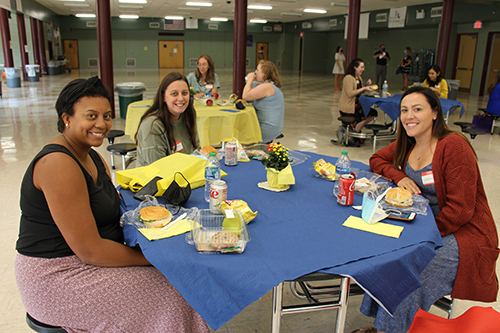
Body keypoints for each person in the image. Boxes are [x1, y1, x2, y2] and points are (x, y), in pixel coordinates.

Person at [15, 77, 210, 333]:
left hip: (85, 260)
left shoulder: (93, 157)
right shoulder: (58, 164)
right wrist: (153, 259)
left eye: (107, 116)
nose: (101, 124)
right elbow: (90, 251)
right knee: (175, 289)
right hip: (57, 274)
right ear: (67, 118)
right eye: (91, 116)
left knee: (181, 279)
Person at [353, 87, 499, 333]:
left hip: (463, 235)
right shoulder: (408, 142)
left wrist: (421, 238)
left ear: (434, 113)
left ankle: (392, 329)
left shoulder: (453, 146)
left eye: (417, 109)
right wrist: (399, 176)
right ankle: (385, 325)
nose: (409, 116)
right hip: (427, 224)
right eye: (404, 110)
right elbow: (377, 159)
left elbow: (462, 210)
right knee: (386, 254)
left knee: (407, 272)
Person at [136, 72, 199, 167]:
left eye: (185, 93)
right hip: (157, 179)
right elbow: (159, 169)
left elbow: (195, 149)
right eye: (174, 94)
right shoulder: (152, 125)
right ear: (163, 97)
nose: (181, 98)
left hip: (186, 172)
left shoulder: (189, 114)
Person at [331, 58, 377, 145]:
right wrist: (363, 88)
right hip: (348, 107)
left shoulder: (358, 78)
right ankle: (353, 134)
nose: (363, 69)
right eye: (361, 67)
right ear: (355, 67)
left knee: (372, 113)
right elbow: (350, 93)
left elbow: (358, 91)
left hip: (356, 105)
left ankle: (355, 132)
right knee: (370, 113)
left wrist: (366, 86)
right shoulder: (348, 78)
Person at [242, 60, 285, 143]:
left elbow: (246, 96)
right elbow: (252, 89)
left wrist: (250, 79)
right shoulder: (269, 85)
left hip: (267, 129)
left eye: (258, 70)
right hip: (273, 127)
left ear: (264, 73)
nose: (255, 72)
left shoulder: (267, 87)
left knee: (240, 132)